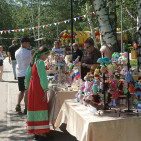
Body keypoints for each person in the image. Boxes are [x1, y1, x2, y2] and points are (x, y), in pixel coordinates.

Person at [25, 46, 50, 141]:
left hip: (32, 87)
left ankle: (35, 131)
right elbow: (43, 77)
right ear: (43, 54)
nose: (47, 57)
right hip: (38, 87)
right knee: (41, 107)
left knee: (34, 107)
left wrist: (27, 87)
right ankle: (42, 133)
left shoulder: (33, 62)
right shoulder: (40, 62)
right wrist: (45, 89)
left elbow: (27, 75)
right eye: (46, 55)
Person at [15, 37, 31, 114]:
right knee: (26, 91)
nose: (29, 44)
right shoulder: (29, 52)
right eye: (28, 43)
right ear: (24, 43)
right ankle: (26, 108)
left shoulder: (16, 52)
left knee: (21, 91)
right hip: (27, 73)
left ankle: (18, 104)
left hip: (19, 73)